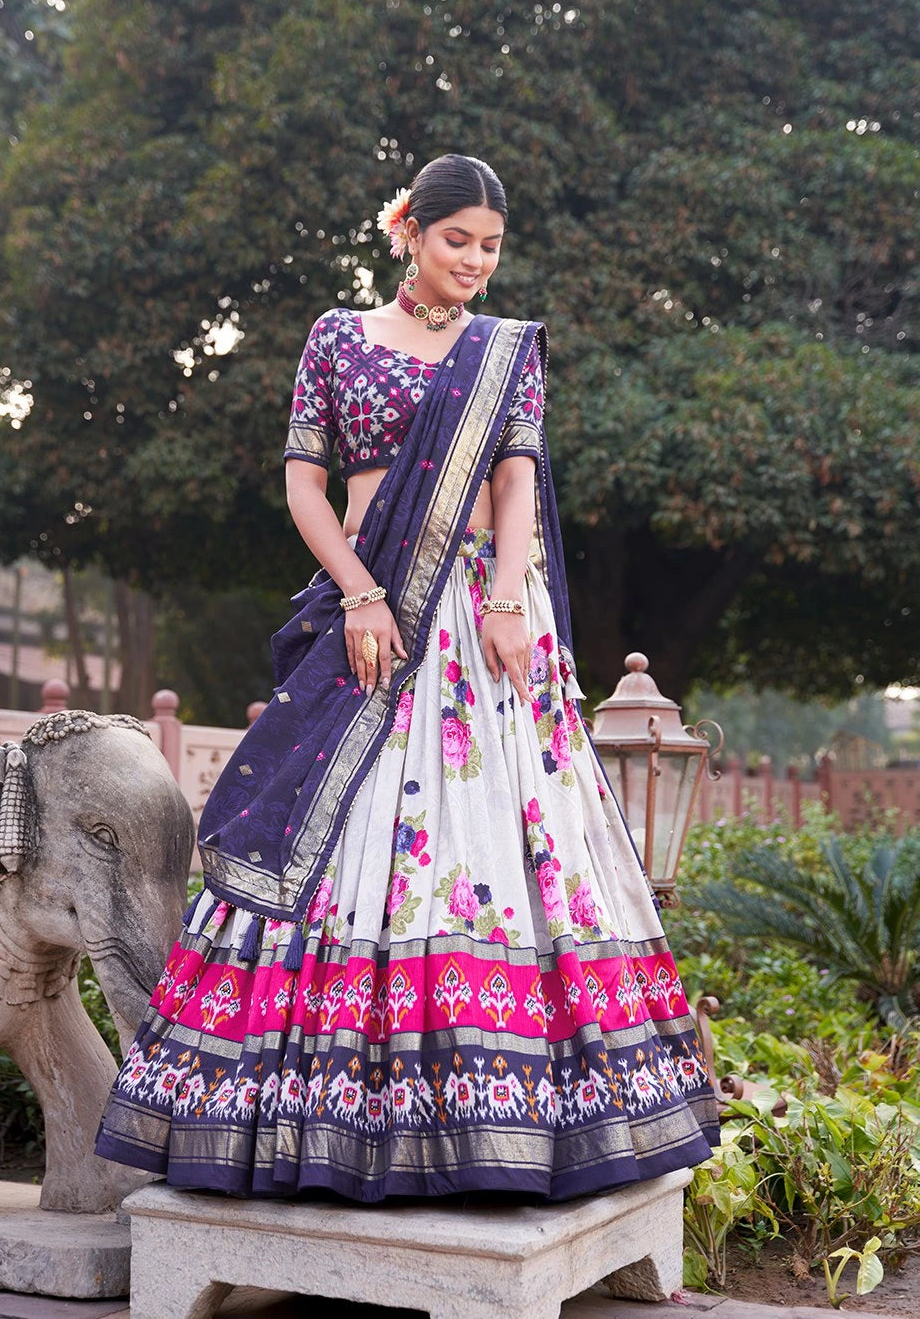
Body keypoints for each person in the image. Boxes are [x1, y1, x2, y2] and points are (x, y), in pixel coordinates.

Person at [95, 153, 719, 1202]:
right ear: (407, 232)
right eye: (454, 241)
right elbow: (304, 481)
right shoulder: (339, 337)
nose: (473, 263)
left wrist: (513, 600)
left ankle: (504, 1113)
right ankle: (320, 1116)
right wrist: (356, 592)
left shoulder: (505, 351)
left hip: (484, 623)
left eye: (489, 247)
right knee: (349, 839)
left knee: (506, 844)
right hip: (374, 614)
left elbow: (516, 474)